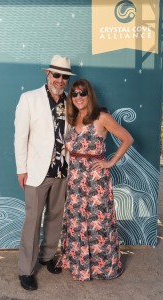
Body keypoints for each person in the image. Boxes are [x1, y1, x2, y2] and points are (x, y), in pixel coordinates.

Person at [56, 79, 134, 281]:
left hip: (96, 182)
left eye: (82, 93)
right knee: (77, 223)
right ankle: (79, 265)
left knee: (98, 224)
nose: (78, 97)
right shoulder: (73, 119)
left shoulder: (102, 117)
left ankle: (101, 268)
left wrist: (110, 162)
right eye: (74, 94)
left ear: (89, 95)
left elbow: (128, 139)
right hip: (75, 182)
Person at [14, 54, 75, 291]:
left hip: (63, 171)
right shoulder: (29, 99)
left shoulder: (72, 101)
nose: (60, 80)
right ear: (47, 74)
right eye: (56, 75)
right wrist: (21, 169)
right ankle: (26, 270)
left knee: (55, 217)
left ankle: (47, 256)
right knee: (32, 221)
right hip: (37, 172)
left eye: (64, 77)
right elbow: (20, 137)